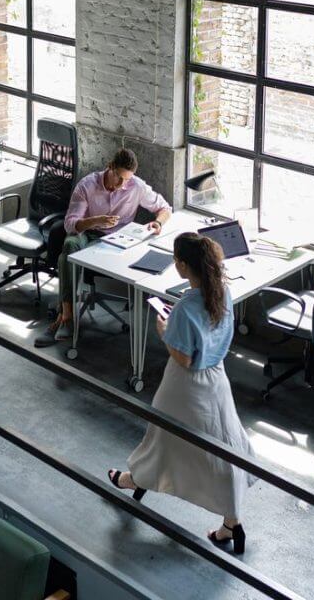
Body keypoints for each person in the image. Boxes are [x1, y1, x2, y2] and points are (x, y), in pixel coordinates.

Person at [106, 233, 255, 553]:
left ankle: (133, 480)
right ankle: (232, 521)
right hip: (216, 380)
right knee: (224, 446)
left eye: (176, 260)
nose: (174, 264)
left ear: (185, 265)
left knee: (162, 439)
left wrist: (164, 330)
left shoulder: (186, 307)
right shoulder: (221, 292)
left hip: (184, 386)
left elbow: (184, 357)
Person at [35, 148, 172, 347]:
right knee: (70, 245)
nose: (122, 184)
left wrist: (158, 223)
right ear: (110, 167)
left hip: (120, 240)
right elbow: (70, 223)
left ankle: (63, 318)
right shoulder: (87, 185)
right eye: (119, 178)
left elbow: (165, 208)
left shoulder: (136, 186)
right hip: (89, 233)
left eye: (127, 179)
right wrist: (94, 221)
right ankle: (66, 316)